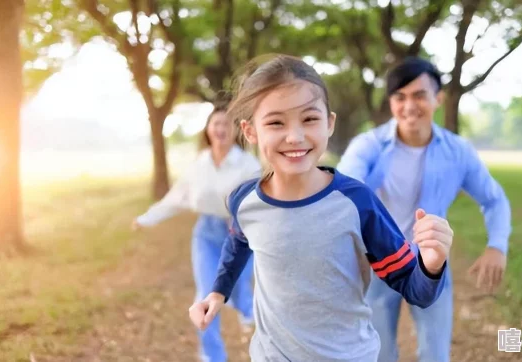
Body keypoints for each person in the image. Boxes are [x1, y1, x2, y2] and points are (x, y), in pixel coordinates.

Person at [187, 54, 455, 362]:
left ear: (329, 123)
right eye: (275, 122)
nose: (295, 136)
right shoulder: (245, 201)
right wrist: (218, 293)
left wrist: (432, 264)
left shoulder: (357, 203)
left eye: (309, 119)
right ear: (250, 131)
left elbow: (414, 289)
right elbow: (237, 244)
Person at [336, 57, 512, 362]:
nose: (409, 106)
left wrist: (497, 246)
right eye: (399, 97)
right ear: (391, 102)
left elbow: (494, 199)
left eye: (419, 95)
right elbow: (343, 192)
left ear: (438, 99)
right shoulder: (369, 146)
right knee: (376, 353)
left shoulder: (457, 151)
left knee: (435, 354)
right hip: (378, 262)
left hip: (430, 264)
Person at [132, 101, 261, 362]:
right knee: (205, 295)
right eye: (216, 123)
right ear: (208, 129)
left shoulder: (248, 165)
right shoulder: (199, 164)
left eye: (227, 123)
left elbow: (259, 203)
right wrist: (146, 219)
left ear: (236, 130)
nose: (221, 128)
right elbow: (176, 198)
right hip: (206, 235)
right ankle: (213, 356)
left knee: (237, 291)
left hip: (239, 235)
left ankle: (253, 316)